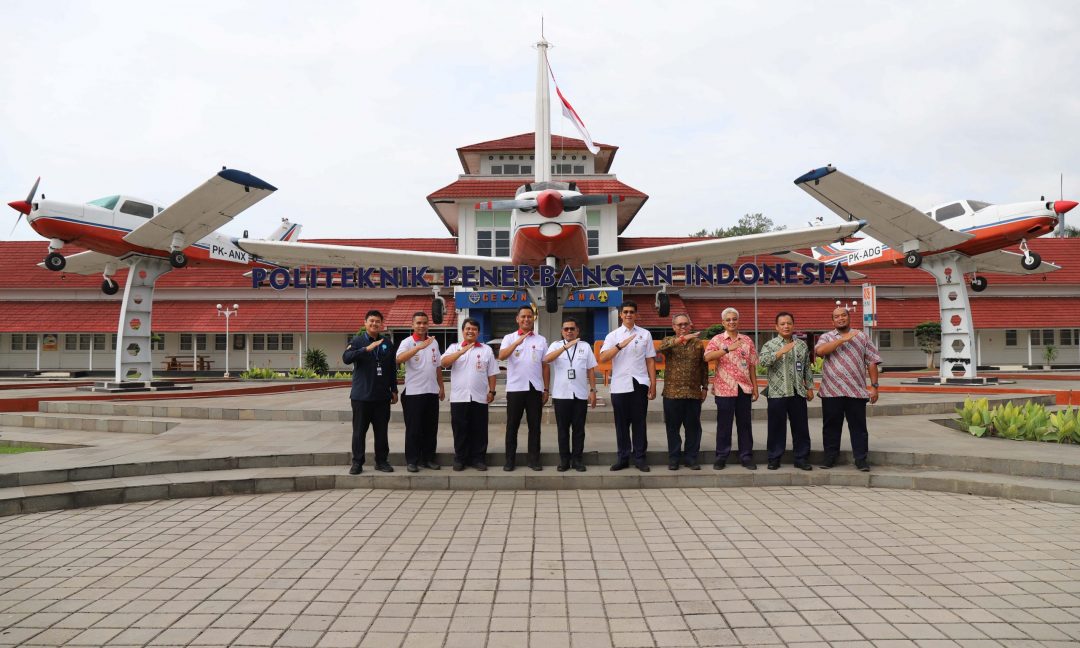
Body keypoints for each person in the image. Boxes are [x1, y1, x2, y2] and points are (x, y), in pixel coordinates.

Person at [814, 306, 881, 472]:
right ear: (832, 321)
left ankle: (861, 460)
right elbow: (820, 352)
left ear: (849, 317)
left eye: (843, 315)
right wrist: (842, 340)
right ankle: (830, 458)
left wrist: (874, 386)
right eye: (836, 316)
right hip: (831, 391)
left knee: (858, 427)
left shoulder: (862, 337)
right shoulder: (826, 337)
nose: (840, 318)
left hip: (856, 391)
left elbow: (871, 361)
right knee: (830, 427)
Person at [599, 300, 656, 472]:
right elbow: (602, 358)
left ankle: (640, 457)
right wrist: (619, 346)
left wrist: (653, 384)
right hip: (619, 384)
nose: (629, 314)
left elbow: (650, 360)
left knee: (639, 422)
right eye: (625, 312)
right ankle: (623, 457)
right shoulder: (613, 336)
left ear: (636, 314)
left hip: (639, 383)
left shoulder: (645, 334)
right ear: (620, 315)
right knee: (621, 424)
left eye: (632, 311)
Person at [343, 310, 398, 474]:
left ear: (382, 323)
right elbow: (346, 358)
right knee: (359, 432)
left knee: (381, 432)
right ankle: (357, 463)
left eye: (377, 321)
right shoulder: (357, 341)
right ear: (365, 323)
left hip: (382, 397)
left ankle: (381, 461)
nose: (374, 324)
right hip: (361, 396)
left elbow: (391, 369)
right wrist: (366, 349)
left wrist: (394, 389)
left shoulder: (387, 343)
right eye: (371, 321)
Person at [441, 318, 499, 471]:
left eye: (474, 329)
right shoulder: (454, 347)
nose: (470, 331)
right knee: (460, 429)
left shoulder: (486, 350)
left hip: (479, 397)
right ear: (462, 331)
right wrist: (462, 351)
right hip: (459, 398)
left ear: (478, 332)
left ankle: (478, 458)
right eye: (468, 329)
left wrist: (492, 391)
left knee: (479, 429)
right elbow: (444, 363)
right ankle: (460, 459)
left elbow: (492, 373)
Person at [704, 307, 759, 470]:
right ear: (723, 323)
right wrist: (727, 349)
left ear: (738, 321)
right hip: (724, 388)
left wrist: (755, 387)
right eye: (728, 320)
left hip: (744, 388)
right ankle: (721, 456)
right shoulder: (717, 339)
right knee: (724, 424)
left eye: (734, 319)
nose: (731, 322)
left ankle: (746, 456)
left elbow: (752, 365)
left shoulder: (747, 340)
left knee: (745, 424)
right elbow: (707, 357)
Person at [758, 312, 814, 471]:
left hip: (797, 392)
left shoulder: (801, 345)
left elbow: (806, 368)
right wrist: (780, 352)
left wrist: (809, 387)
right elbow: (762, 363)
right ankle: (774, 458)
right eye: (782, 324)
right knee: (776, 427)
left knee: (801, 427)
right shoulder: (770, 345)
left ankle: (801, 458)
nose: (786, 326)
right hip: (777, 393)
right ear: (776, 327)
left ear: (793, 325)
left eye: (789, 323)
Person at [543, 316, 597, 472]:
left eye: (572, 328)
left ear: (577, 330)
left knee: (579, 430)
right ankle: (564, 460)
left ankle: (577, 460)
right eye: (566, 329)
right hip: (561, 395)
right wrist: (566, 348)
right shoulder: (555, 345)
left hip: (579, 395)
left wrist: (593, 391)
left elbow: (591, 369)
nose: (569, 331)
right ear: (562, 331)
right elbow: (546, 359)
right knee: (563, 430)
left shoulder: (585, 346)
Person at [499, 306, 549, 471]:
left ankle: (534, 459)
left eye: (529, 316)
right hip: (515, 388)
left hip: (535, 388)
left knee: (535, 426)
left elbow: (545, 366)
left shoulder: (541, 340)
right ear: (517, 319)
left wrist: (546, 389)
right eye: (523, 317)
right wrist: (517, 342)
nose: (526, 319)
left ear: (533, 318)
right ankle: (509, 460)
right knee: (512, 426)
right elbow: (502, 356)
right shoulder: (509, 338)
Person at [395, 311, 445, 473]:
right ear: (413, 325)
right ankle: (412, 460)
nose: (422, 326)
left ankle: (428, 459)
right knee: (414, 429)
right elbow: (399, 359)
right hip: (413, 393)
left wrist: (441, 387)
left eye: (424, 323)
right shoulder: (407, 342)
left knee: (431, 428)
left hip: (431, 391)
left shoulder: (434, 343)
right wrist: (419, 347)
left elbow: (437, 366)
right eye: (418, 323)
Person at [657, 313, 709, 470]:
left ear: (690, 325)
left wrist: (705, 387)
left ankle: (691, 458)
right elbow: (661, 349)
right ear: (673, 327)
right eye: (679, 325)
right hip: (672, 393)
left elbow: (703, 366)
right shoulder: (669, 341)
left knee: (693, 428)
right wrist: (681, 339)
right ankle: (674, 458)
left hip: (693, 393)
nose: (683, 327)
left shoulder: (698, 344)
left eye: (685, 324)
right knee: (672, 428)